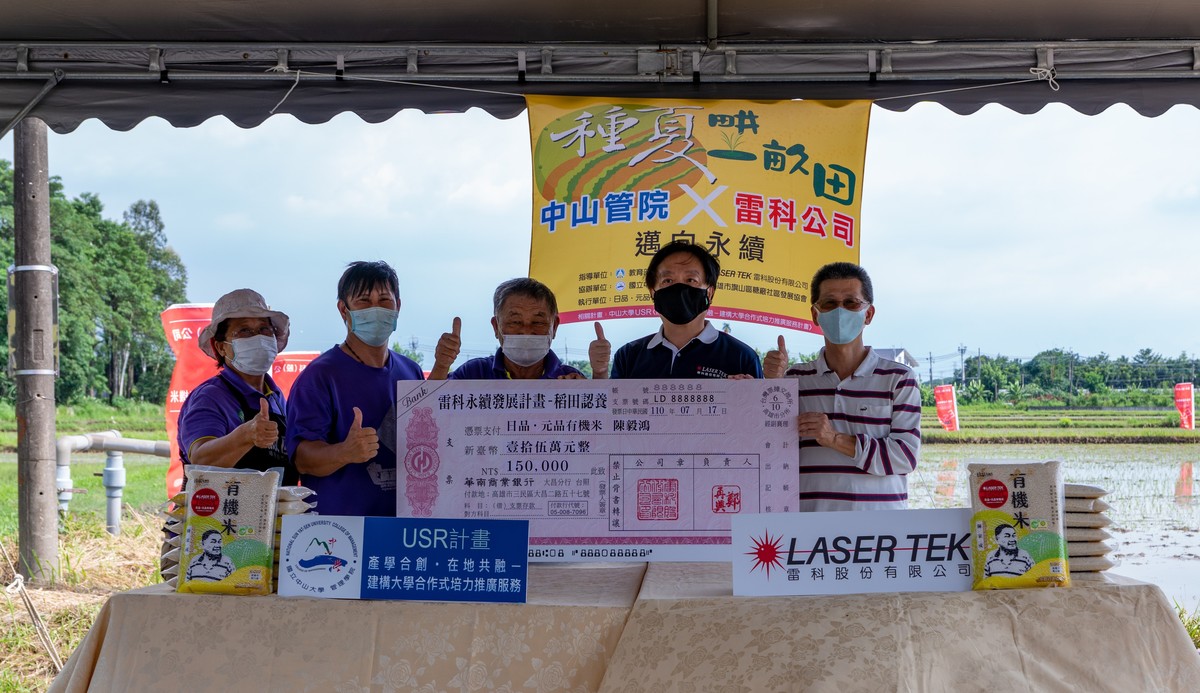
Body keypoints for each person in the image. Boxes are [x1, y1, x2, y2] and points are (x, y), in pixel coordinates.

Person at [285, 261, 424, 516]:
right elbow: (302, 459)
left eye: (384, 300)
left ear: (398, 306)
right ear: (343, 310)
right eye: (363, 301)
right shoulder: (319, 377)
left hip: (404, 533)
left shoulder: (410, 371)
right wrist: (344, 452)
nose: (375, 309)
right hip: (340, 537)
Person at [780, 262, 921, 511]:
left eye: (851, 303)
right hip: (809, 531)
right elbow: (771, 449)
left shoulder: (899, 378)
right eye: (829, 304)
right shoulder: (793, 380)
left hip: (880, 534)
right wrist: (769, 385)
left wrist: (834, 438)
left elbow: (905, 457)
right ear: (815, 314)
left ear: (868, 314)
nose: (840, 311)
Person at [589, 241, 762, 379]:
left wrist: (748, 394)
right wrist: (600, 373)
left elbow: (760, 418)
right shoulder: (628, 356)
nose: (679, 289)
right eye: (668, 281)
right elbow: (610, 416)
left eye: (690, 280)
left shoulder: (743, 357)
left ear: (709, 292)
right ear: (653, 292)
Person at [177, 288, 296, 485]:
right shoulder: (211, 397)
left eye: (264, 329)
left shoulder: (275, 397)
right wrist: (246, 435)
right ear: (221, 347)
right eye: (244, 330)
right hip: (214, 514)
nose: (257, 337)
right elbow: (201, 459)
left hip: (271, 513)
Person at [429, 277, 585, 380]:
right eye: (515, 321)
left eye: (538, 322)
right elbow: (428, 410)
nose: (526, 330)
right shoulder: (474, 374)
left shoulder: (570, 379)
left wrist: (598, 379)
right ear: (496, 327)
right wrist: (441, 365)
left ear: (555, 326)